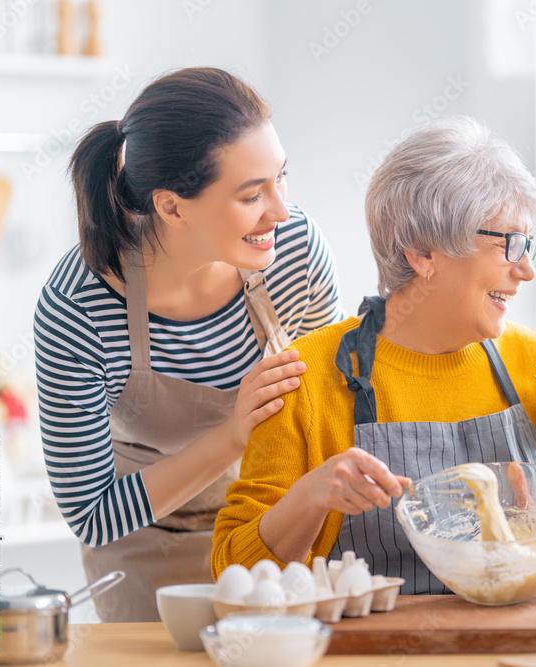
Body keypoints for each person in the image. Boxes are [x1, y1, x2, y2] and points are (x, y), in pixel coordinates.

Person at [212, 116, 536, 593]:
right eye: (509, 244)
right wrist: (311, 497)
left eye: (528, 243)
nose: (526, 270)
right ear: (423, 254)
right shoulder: (306, 377)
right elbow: (234, 573)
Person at [33, 67, 345, 621]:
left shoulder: (293, 249)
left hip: (272, 530)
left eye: (282, 178)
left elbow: (336, 398)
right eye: (252, 195)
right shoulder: (76, 310)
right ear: (173, 207)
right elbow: (93, 514)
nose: (279, 210)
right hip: (147, 554)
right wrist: (231, 436)